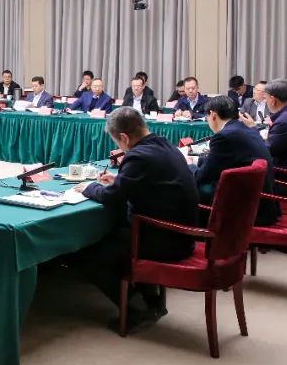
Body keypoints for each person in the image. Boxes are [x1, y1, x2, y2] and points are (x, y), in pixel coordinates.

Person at [73, 108, 199, 330]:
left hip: (164, 240)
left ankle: (137, 309)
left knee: (89, 255)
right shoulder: (166, 146)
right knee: (115, 236)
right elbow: (150, 184)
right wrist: (120, 181)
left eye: (117, 142)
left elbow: (112, 198)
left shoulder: (138, 156)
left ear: (124, 137)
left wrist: (89, 188)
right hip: (182, 233)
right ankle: (152, 302)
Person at [194, 96, 276, 225]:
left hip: (246, 209)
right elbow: (224, 159)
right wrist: (199, 160)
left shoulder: (224, 136)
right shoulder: (244, 129)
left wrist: (187, 167)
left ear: (213, 115)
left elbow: (203, 176)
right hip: (262, 202)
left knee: (192, 186)